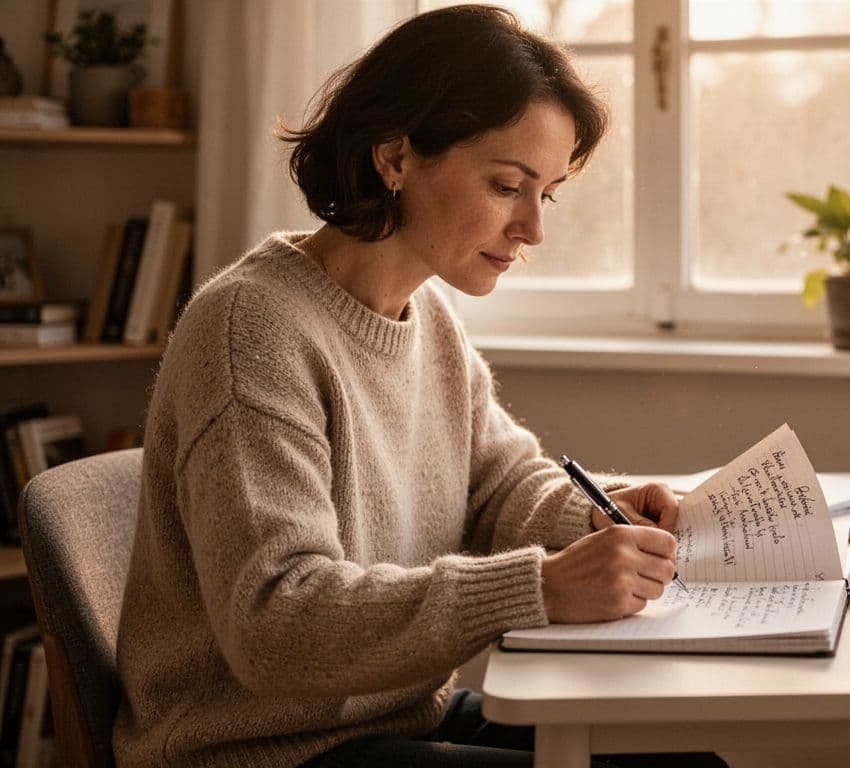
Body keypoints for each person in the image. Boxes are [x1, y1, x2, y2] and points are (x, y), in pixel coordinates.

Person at [114, 6, 725, 767]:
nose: (533, 229)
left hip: (397, 721)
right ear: (395, 157)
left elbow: (501, 487)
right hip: (262, 752)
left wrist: (599, 514)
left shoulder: (426, 315)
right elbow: (275, 622)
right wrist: (542, 588)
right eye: (507, 185)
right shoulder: (252, 330)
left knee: (689, 762)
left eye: (546, 194)